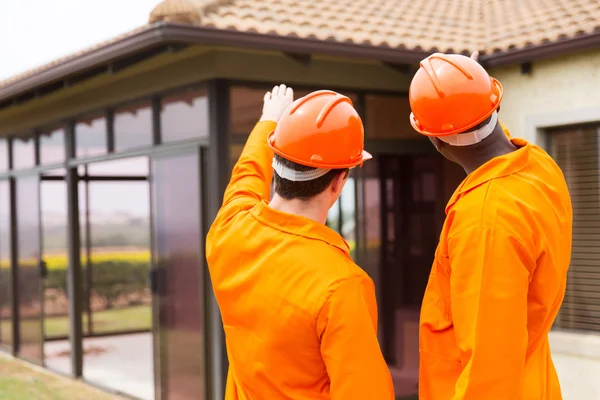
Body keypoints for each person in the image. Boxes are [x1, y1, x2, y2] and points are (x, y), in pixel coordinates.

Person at [206, 84, 394, 399]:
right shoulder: (340, 285)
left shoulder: (229, 229)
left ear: (276, 165)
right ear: (339, 181)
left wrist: (269, 120)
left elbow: (246, 175)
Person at [409, 53, 572, 399]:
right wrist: (466, 93)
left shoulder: (484, 220)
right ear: (495, 111)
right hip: (532, 381)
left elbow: (488, 373)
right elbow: (485, 135)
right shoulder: (537, 167)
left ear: (436, 141)